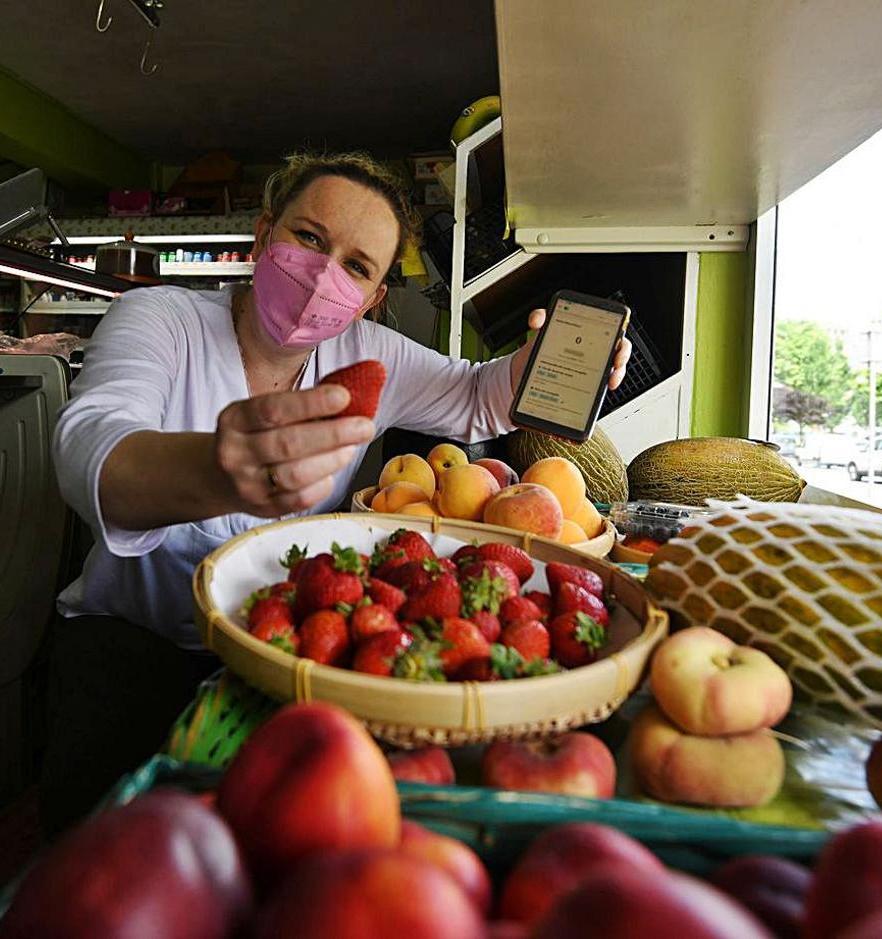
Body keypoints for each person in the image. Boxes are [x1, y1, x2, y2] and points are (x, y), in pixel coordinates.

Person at [40, 151, 631, 832]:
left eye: (355, 265)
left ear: (375, 295)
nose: (323, 275)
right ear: (264, 236)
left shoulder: (369, 359)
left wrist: (535, 371)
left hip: (280, 663)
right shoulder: (161, 320)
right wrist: (214, 469)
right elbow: (89, 441)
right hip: (126, 657)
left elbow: (475, 396)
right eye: (308, 239)